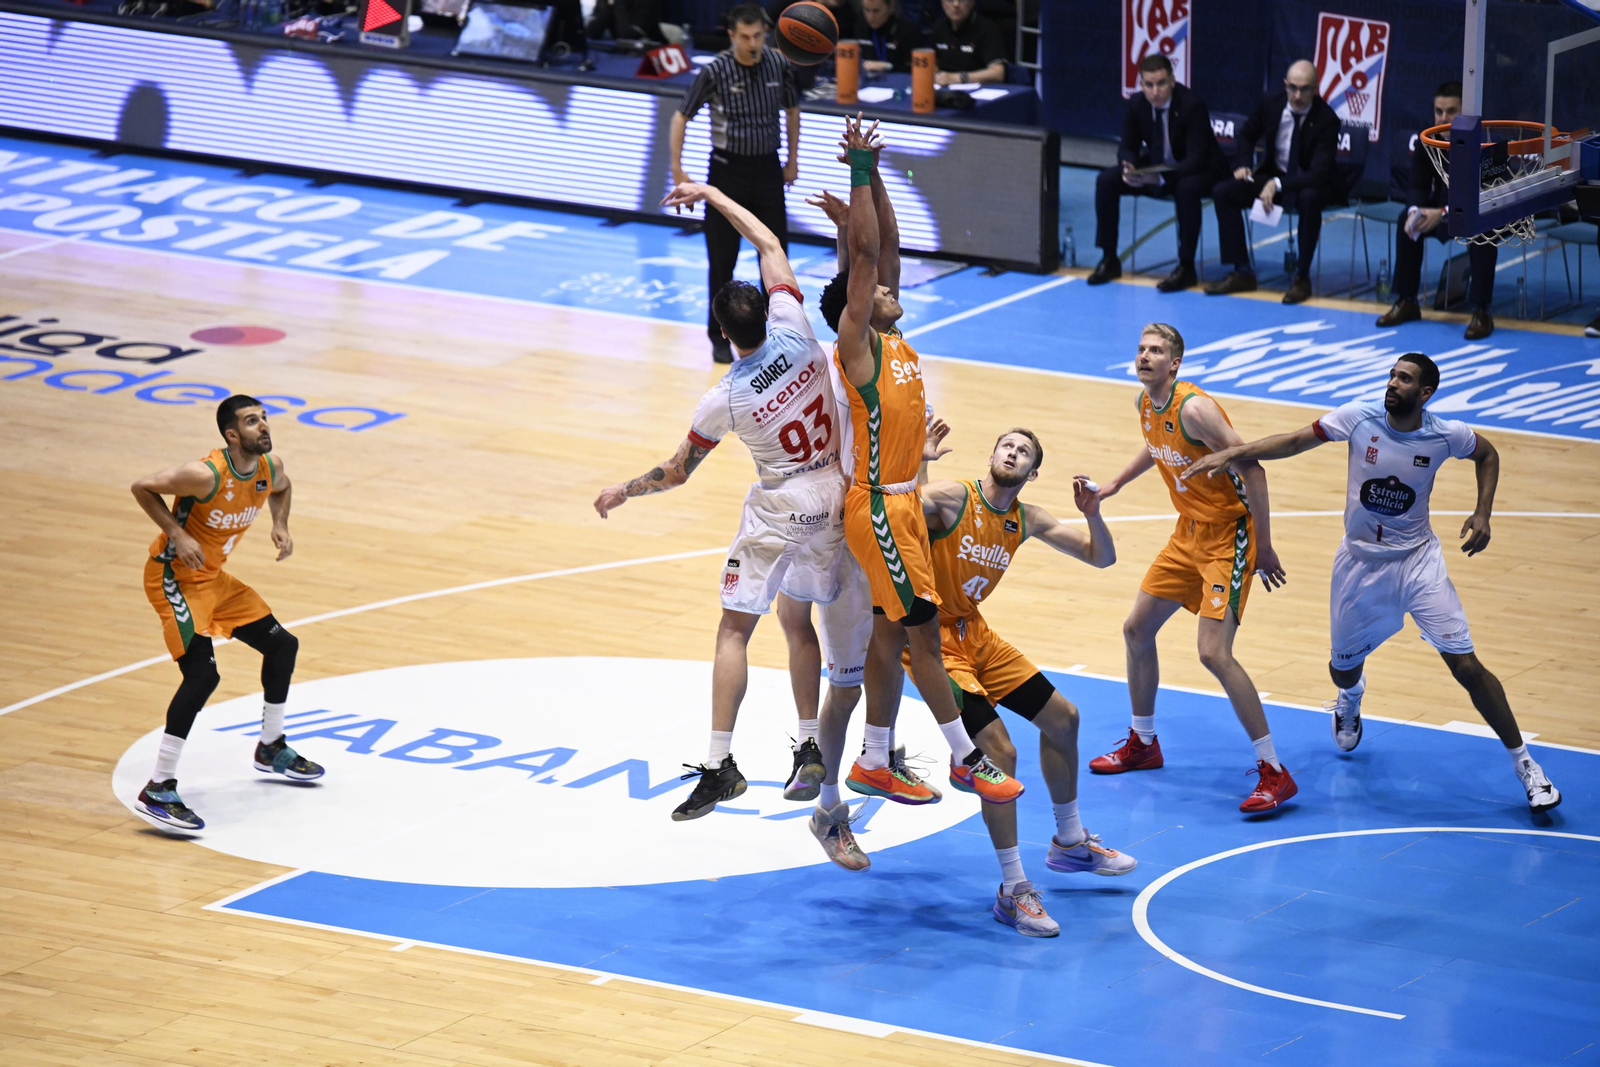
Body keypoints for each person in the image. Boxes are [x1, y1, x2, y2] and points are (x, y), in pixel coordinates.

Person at [594, 179, 869, 823]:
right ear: (765, 313)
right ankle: (807, 747)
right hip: (834, 494)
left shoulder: (726, 397)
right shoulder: (797, 328)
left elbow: (677, 472)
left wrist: (626, 490)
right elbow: (768, 240)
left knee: (734, 627)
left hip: (782, 505)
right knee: (797, 623)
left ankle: (720, 764)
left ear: (722, 331)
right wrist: (713, 193)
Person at [1180, 353, 1561, 813]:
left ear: (1425, 393)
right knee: (1342, 668)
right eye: (1392, 375)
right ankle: (1351, 696)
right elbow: (1295, 440)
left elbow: (1487, 454)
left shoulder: (1445, 434)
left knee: (1466, 665)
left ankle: (1527, 768)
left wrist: (1483, 512)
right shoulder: (1358, 419)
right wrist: (1234, 452)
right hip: (1359, 565)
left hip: (1418, 562)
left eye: (1404, 379)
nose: (1393, 383)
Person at [817, 115, 1023, 808]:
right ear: (857, 307)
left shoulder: (894, 334)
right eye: (875, 289)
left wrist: (874, 179)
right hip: (878, 507)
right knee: (924, 639)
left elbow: (890, 245)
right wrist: (857, 175)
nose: (888, 286)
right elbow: (869, 256)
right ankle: (966, 757)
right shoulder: (858, 348)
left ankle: (875, 758)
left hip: (899, 503)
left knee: (887, 637)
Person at [901, 428, 1138, 937]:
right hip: (932, 642)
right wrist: (920, 459)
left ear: (1032, 473)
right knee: (1000, 754)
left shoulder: (1025, 518)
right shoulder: (953, 496)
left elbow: (1103, 557)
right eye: (1006, 446)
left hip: (978, 635)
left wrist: (1093, 511)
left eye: (1024, 451)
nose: (1012, 453)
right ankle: (1013, 890)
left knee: (1064, 719)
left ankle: (1070, 843)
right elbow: (907, 513)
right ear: (991, 456)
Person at [1091, 324, 1298, 813]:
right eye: (1141, 348)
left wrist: (1263, 546)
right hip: (1188, 531)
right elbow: (1157, 443)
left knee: (1213, 653)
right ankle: (1143, 743)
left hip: (1230, 533)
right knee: (1137, 630)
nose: (1145, 356)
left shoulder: (1195, 408)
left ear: (1175, 364)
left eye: (1156, 351)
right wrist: (1116, 484)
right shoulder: (1146, 402)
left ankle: (1275, 771)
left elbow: (1252, 467)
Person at [129, 395, 321, 833]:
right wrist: (177, 533)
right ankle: (159, 787)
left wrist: (281, 524)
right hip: (174, 577)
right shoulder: (204, 474)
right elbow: (142, 486)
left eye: (265, 418)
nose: (264, 426)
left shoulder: (268, 469)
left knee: (282, 645)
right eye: (253, 422)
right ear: (232, 435)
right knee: (202, 675)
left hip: (214, 579)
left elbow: (283, 487)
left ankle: (271, 747)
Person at [671, 3, 800, 364]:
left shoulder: (779, 64)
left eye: (758, 35)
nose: (753, 43)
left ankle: (778, 334)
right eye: (745, 37)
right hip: (727, 172)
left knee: (775, 256)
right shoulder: (715, 71)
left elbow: (792, 110)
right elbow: (680, 117)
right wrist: (678, 171)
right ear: (732, 36)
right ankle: (718, 337)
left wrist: (792, 159)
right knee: (721, 261)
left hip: (768, 169)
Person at [1087, 54, 1227, 294]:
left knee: (1186, 188)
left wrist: (1159, 177)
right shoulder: (1137, 104)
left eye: (1161, 83)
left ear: (1172, 81)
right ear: (1141, 85)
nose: (1155, 91)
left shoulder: (1191, 105)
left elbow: (1197, 157)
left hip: (1201, 172)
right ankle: (1109, 258)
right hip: (1159, 168)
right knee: (1107, 180)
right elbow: (1127, 146)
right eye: (1149, 85)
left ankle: (1186, 266)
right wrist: (1129, 166)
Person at [1206, 59, 1341, 306]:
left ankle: (1302, 277)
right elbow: (1246, 134)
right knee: (1224, 192)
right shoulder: (1271, 103)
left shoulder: (1327, 120)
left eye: (1305, 89)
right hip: (1273, 174)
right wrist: (1244, 164)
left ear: (1316, 88)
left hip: (1307, 183)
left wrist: (1278, 184)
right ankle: (1242, 271)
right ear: (1285, 85)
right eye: (1293, 88)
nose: (1298, 95)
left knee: (1310, 200)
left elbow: (1319, 174)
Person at [1374, 82, 1498, 341]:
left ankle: (1481, 310)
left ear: (1466, 113)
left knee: (1484, 229)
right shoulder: (1427, 141)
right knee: (1405, 220)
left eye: (1451, 111)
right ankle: (1407, 300)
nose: (1443, 119)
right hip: (1441, 213)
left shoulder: (1486, 145)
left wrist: (1441, 213)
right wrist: (1415, 210)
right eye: (1438, 111)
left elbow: (1485, 198)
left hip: (1478, 213)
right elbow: (1416, 186)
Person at [929, 0, 1006, 86]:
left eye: (962, 0)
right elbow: (932, 62)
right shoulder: (938, 28)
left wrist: (958, 78)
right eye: (950, 0)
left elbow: (998, 73)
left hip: (977, 89)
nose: (956, 4)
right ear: (942, 3)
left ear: (972, 2)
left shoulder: (988, 29)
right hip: (943, 88)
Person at [860, 0, 925, 74]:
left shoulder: (908, 31)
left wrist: (889, 66)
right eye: (866, 10)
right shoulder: (859, 27)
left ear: (890, 7)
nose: (870, 17)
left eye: (876, 11)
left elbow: (917, 68)